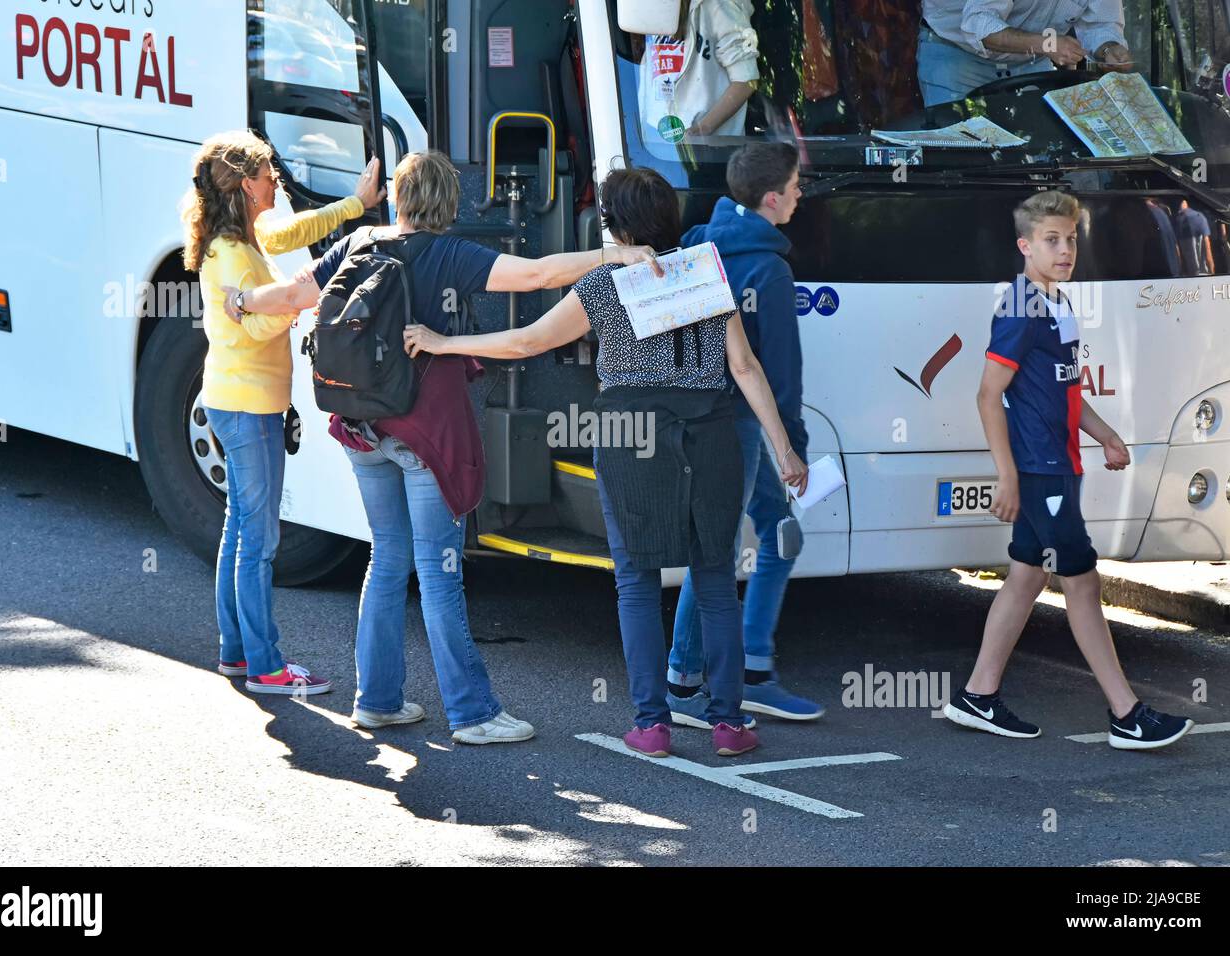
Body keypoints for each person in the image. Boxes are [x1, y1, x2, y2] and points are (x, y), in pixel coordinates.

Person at [229, 150, 659, 744]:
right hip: (423, 434)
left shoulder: (359, 244)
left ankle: (377, 699)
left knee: (386, 558)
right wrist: (615, 255)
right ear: (448, 205)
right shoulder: (449, 254)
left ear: (400, 200)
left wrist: (238, 302)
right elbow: (538, 274)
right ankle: (472, 713)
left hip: (359, 429)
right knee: (439, 570)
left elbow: (292, 297)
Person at [403, 167, 808, 759]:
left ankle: (653, 724)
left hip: (631, 436)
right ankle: (727, 724)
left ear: (614, 225)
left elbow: (525, 343)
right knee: (716, 580)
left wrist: (445, 344)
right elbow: (745, 368)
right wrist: (784, 449)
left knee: (636, 583)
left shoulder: (604, 285)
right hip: (712, 436)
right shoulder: (705, 270)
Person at [944, 190, 1193, 750]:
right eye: (1052, 240)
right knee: (1082, 583)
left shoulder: (1057, 303)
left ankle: (978, 696)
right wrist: (1007, 476)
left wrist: (1104, 435)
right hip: (1040, 471)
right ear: (1024, 245)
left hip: (1061, 464)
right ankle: (1126, 714)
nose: (1065, 250)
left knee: (1028, 575)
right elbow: (988, 396)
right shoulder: (1019, 309)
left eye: (1072, 239)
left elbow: (1066, 390)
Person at [183, 130, 386, 696]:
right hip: (248, 407)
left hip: (238, 401)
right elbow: (255, 323)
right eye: (269, 175)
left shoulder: (238, 244)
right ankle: (267, 666)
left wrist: (293, 299)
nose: (277, 182)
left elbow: (280, 263)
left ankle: (236, 653)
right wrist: (303, 301)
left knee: (240, 529)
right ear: (247, 186)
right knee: (261, 540)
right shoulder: (235, 255)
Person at [666, 142, 823, 727]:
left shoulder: (696, 245)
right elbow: (780, 373)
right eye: (796, 186)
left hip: (696, 416)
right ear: (773, 197)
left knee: (774, 535)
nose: (802, 195)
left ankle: (751, 669)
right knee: (725, 551)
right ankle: (686, 683)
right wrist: (795, 448)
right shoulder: (771, 270)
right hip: (744, 427)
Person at [918, 0, 1133, 107]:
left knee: (1038, 157)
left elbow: (1101, 24)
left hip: (1031, 63)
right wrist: (1048, 45)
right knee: (957, 155)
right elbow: (980, 25)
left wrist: (1108, 49)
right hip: (957, 56)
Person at [636, 0, 760, 142]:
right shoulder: (654, 6)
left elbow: (747, 81)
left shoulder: (721, 5)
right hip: (654, 140)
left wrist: (702, 129)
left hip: (707, 150)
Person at [1174, 198, 1214, 277]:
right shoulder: (1199, 217)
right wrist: (1212, 271)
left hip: (1188, 276)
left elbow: (1177, 250)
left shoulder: (1176, 221)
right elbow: (1207, 249)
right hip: (1204, 275)